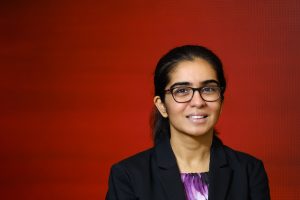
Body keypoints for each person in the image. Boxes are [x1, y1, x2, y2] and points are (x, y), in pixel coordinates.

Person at [105, 45, 270, 200]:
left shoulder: (249, 171)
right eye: (182, 91)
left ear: (221, 102)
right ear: (161, 105)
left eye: (208, 89)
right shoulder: (128, 175)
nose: (198, 102)